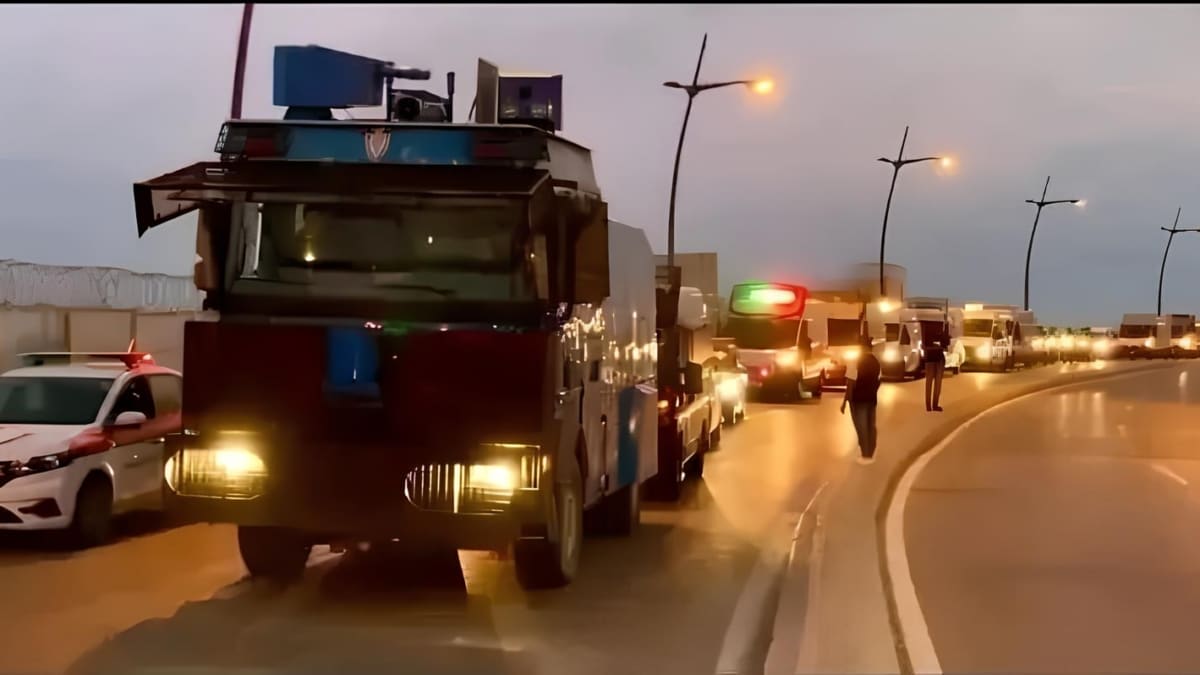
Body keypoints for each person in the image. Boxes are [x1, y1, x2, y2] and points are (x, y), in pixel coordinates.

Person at [841, 333, 881, 464]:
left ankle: (865, 454)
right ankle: (870, 451)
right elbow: (879, 380)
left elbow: (850, 383)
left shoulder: (855, 362)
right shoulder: (876, 361)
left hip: (858, 399)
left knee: (861, 426)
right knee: (871, 425)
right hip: (871, 398)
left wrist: (845, 401)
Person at [924, 322, 947, 412]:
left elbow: (925, 344)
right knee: (937, 384)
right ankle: (934, 405)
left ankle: (929, 406)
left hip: (930, 358)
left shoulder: (925, 328)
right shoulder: (941, 329)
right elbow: (945, 345)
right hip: (937, 358)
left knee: (929, 383)